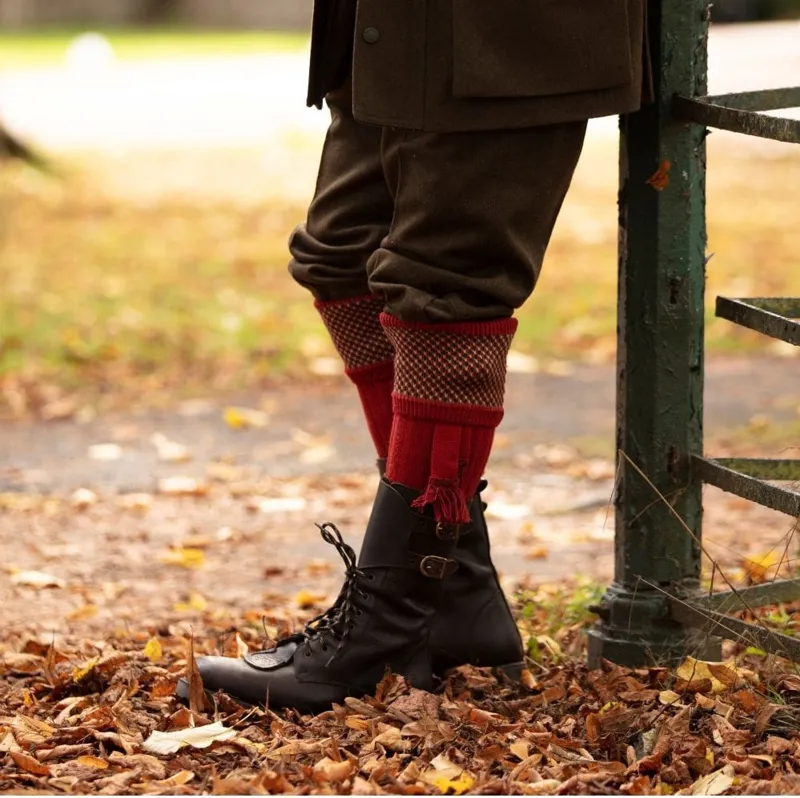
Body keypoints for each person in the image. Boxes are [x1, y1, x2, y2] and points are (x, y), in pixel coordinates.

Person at [178, 0, 647, 712]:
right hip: (390, 21)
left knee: (448, 285)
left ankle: (394, 616)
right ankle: (454, 592)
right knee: (341, 256)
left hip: (504, 34)